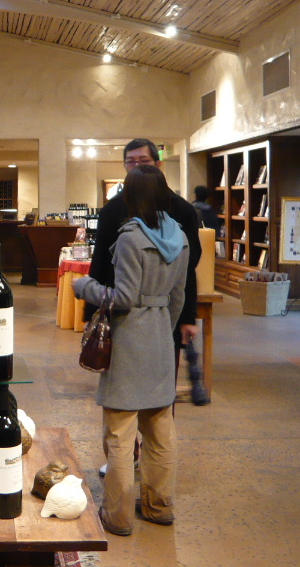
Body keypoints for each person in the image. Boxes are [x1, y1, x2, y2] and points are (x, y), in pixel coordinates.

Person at [73, 165, 190, 536]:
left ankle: (118, 516)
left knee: (120, 435)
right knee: (160, 431)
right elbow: (178, 297)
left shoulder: (130, 237)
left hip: (129, 340)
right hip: (161, 338)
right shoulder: (179, 236)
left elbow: (122, 297)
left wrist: (85, 286)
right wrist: (163, 330)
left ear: (130, 196)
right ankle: (159, 507)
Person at [88, 139, 201, 350]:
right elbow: (101, 261)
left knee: (164, 365)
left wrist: (188, 316)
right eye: (131, 161)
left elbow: (187, 268)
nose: (137, 166)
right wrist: (92, 312)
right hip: (121, 311)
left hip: (166, 308)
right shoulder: (112, 210)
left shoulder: (182, 210)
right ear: (124, 165)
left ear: (158, 164)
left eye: (143, 160)